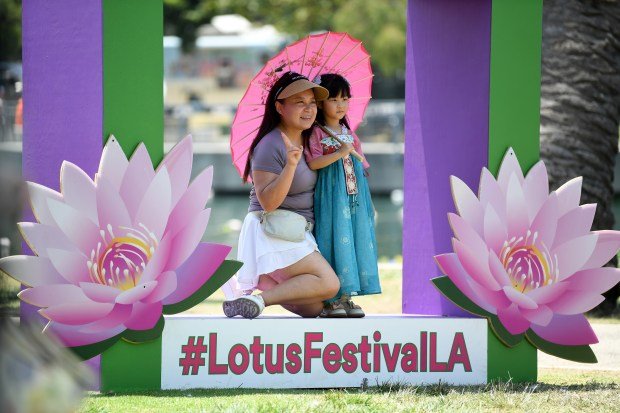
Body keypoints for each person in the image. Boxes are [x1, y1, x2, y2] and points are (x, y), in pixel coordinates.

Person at [222, 72, 340, 319]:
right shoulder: (269, 144)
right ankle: (257, 298)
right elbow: (268, 202)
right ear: (279, 107)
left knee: (313, 308)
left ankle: (258, 283)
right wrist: (290, 165)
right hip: (274, 229)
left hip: (296, 229)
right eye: (299, 103)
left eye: (312, 103)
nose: (308, 110)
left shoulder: (310, 139)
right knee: (329, 284)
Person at [305, 73, 381, 318]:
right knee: (334, 237)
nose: (341, 105)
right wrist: (340, 152)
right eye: (334, 99)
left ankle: (347, 297)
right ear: (320, 103)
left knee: (354, 238)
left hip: (354, 197)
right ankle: (330, 301)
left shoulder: (348, 130)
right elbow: (314, 163)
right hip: (332, 196)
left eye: (345, 99)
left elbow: (362, 165)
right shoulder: (317, 132)